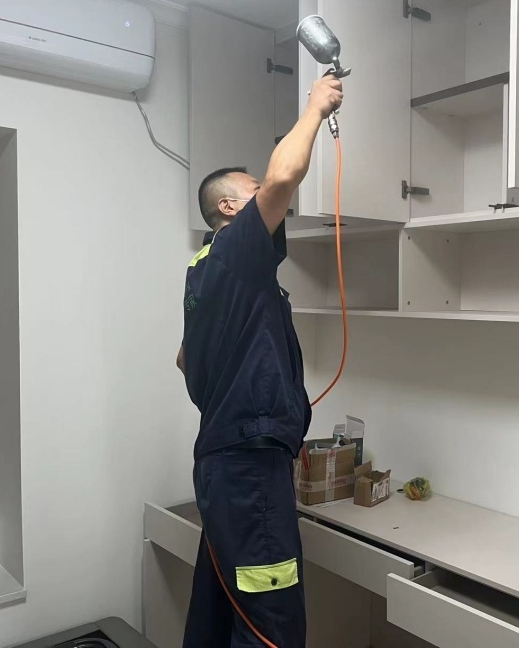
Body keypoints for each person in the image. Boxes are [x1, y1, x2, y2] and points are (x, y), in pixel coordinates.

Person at [177, 74, 344, 648]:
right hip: (249, 470)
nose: (272, 200)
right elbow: (282, 177)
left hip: (227, 464)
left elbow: (184, 359)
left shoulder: (205, 271)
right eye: (252, 190)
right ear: (229, 207)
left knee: (223, 611)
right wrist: (315, 107)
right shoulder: (234, 252)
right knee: (270, 624)